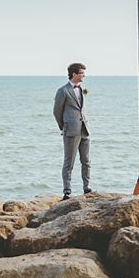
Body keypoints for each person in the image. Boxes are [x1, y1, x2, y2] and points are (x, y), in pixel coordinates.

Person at [53, 62, 92, 200]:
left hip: (84, 129)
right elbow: (57, 111)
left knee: (86, 161)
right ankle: (67, 191)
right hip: (71, 130)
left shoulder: (82, 89)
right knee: (69, 163)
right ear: (74, 74)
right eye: (82, 73)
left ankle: (87, 188)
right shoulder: (63, 91)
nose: (84, 75)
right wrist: (63, 127)